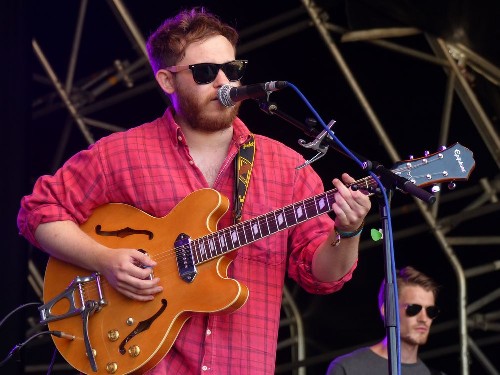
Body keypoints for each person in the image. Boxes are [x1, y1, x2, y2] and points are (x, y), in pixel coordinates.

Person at [18, 7, 371, 375]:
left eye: (232, 71)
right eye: (205, 72)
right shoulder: (120, 153)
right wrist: (104, 261)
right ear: (168, 82)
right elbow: (39, 211)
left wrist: (348, 231)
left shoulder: (287, 167)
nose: (224, 83)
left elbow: (322, 277)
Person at [326, 266, 445, 375]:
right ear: (388, 311)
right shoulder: (348, 368)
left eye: (431, 311)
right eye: (413, 309)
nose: (424, 319)